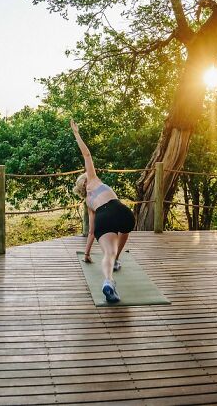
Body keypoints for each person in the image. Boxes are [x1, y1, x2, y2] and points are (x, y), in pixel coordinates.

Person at [70, 119, 135, 303]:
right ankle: (116, 260)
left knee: (108, 252)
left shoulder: (89, 203)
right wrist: (76, 134)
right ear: (84, 181)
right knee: (126, 227)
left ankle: (108, 280)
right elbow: (87, 155)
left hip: (103, 217)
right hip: (119, 210)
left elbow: (91, 231)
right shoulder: (92, 179)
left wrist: (88, 253)